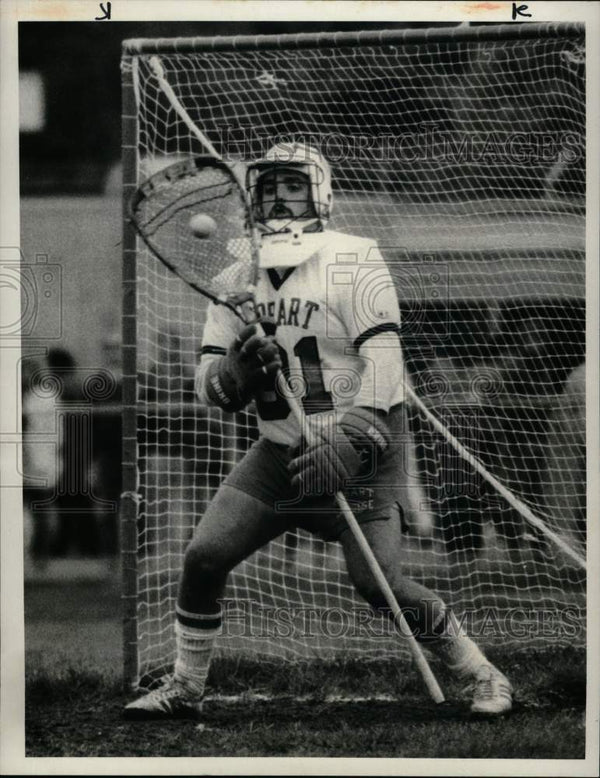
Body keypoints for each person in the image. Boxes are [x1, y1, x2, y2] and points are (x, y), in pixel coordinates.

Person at [125, 142, 512, 720]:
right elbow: (212, 389)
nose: (279, 196)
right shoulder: (235, 277)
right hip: (281, 451)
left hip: (364, 449)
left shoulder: (356, 258)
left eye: (294, 185)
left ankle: (483, 674)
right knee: (203, 557)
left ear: (321, 194)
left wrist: (352, 443)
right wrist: (238, 369)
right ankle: (185, 685)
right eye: (269, 186)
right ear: (250, 200)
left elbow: (385, 366)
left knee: (380, 584)